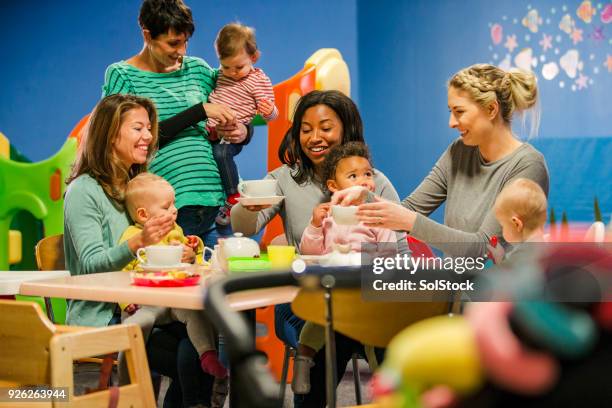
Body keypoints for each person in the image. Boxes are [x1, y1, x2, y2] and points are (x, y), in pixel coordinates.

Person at [231, 90, 407, 406]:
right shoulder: (284, 179)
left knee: (369, 335)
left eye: (325, 127)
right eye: (306, 128)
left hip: (366, 299)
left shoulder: (372, 182)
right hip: (304, 299)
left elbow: (400, 253)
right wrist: (250, 206)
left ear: (346, 130)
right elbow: (244, 227)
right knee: (328, 332)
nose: (315, 137)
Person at [333, 63, 550, 259]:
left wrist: (409, 221)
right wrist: (365, 197)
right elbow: (410, 208)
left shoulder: (527, 165)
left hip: (500, 297)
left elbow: (484, 247)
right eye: (450, 111)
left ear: (491, 109)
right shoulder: (459, 152)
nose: (451, 122)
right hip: (455, 292)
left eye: (459, 112)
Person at [102, 0, 251, 250]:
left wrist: (243, 132)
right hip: (169, 212)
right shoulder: (122, 75)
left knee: (224, 283)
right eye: (173, 43)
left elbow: (238, 103)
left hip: (219, 205)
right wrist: (198, 111)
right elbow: (124, 140)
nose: (181, 51)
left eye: (185, 42)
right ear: (147, 35)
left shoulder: (199, 70)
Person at [293, 142, 397, 395]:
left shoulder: (376, 212)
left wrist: (362, 259)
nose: (364, 181)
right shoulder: (329, 214)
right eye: (353, 176)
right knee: (317, 318)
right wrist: (316, 225)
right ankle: (304, 359)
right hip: (333, 289)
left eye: (367, 174)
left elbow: (389, 251)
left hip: (365, 289)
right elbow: (311, 251)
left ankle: (383, 380)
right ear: (333, 186)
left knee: (376, 334)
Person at [119, 172, 227, 380]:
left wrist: (193, 250)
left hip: (175, 299)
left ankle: (208, 354)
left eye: (173, 204)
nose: (174, 210)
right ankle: (126, 381)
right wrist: (125, 302)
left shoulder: (175, 230)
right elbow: (123, 272)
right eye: (166, 207)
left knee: (197, 313)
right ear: (143, 215)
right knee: (133, 328)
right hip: (147, 303)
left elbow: (191, 259)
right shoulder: (133, 236)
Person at [207, 22, 278, 225]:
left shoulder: (258, 80)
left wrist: (269, 111)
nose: (232, 72)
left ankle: (233, 198)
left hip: (232, 132)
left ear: (253, 58)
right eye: (226, 66)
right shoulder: (219, 75)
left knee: (221, 153)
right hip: (212, 128)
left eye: (239, 67)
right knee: (212, 152)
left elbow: (272, 116)